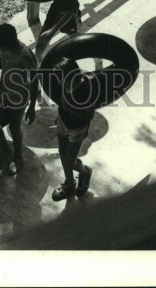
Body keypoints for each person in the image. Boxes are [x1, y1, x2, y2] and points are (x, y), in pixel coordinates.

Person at [0, 23, 38, 176]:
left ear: (9, 43)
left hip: (19, 95)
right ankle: (5, 150)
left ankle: (18, 157)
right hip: (2, 90)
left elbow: (34, 79)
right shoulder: (2, 44)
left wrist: (32, 106)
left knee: (15, 128)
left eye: (0, 45)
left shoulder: (24, 55)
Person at [48, 56, 94, 201]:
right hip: (62, 122)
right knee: (62, 153)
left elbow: (89, 116)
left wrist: (69, 108)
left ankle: (85, 171)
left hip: (77, 128)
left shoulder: (85, 88)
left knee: (69, 160)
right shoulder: (64, 82)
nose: (59, 82)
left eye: (61, 78)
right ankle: (69, 183)